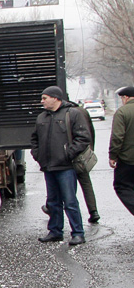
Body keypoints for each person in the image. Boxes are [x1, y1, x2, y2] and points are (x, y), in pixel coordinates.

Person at [31, 86, 90, 245]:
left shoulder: (73, 114)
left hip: (66, 167)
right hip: (48, 166)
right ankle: (55, 231)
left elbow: (83, 138)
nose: (42, 101)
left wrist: (68, 154)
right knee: (53, 201)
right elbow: (34, 139)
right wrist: (37, 155)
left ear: (55, 98)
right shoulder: (42, 117)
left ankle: (78, 233)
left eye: (45, 98)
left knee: (70, 201)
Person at [110, 85, 134, 216]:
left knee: (122, 186)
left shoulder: (122, 112)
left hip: (127, 159)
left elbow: (117, 137)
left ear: (125, 97)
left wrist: (113, 156)